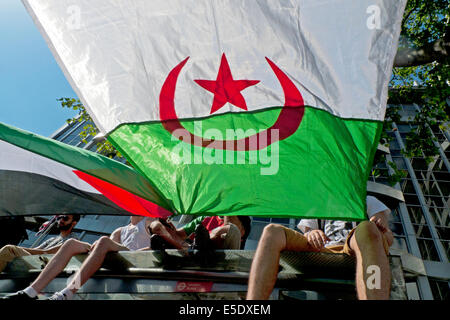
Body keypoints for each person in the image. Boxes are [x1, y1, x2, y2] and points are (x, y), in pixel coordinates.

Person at [246, 196, 394, 300]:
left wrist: (380, 230)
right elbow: (307, 233)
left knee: (367, 228)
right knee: (272, 231)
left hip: (352, 247)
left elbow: (388, 239)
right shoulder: (321, 203)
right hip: (321, 248)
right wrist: (312, 232)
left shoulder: (367, 200)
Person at [3, 215, 155, 300]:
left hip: (133, 257)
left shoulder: (149, 221)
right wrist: (97, 247)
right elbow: (110, 247)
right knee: (71, 243)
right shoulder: (120, 230)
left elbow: (156, 245)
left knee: (103, 240)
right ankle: (30, 292)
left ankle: (67, 293)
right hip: (115, 256)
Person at [0, 214, 80, 273]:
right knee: (8, 252)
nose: (61, 220)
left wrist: (14, 249)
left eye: (65, 218)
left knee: (9, 249)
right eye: (59, 217)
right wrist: (17, 250)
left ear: (73, 223)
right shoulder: (53, 239)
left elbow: (48, 252)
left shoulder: (72, 239)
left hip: (45, 267)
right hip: (35, 261)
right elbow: (34, 250)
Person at [149, 215, 251, 250]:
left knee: (229, 229)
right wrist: (167, 226)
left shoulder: (242, 219)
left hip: (220, 258)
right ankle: (191, 249)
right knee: (155, 225)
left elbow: (232, 230)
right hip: (191, 251)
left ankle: (193, 249)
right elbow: (178, 235)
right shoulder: (205, 218)